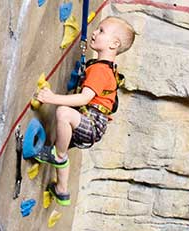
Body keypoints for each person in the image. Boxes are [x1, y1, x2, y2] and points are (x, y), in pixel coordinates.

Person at [35, 16, 136, 206]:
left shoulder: (100, 71)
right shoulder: (106, 68)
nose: (95, 32)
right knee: (61, 140)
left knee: (63, 114)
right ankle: (62, 191)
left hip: (92, 123)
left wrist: (51, 98)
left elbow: (84, 99)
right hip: (92, 122)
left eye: (102, 31)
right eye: (97, 29)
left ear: (114, 44)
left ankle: (58, 155)